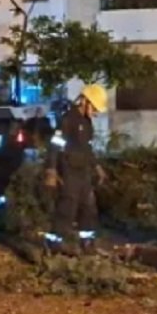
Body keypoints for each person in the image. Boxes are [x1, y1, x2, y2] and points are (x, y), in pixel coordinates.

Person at [43, 84, 109, 256]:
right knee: (67, 208)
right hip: (69, 170)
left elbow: (88, 148)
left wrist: (97, 168)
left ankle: (87, 243)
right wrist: (51, 170)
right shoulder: (67, 120)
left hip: (84, 171)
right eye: (94, 107)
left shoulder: (87, 123)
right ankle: (53, 245)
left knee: (89, 208)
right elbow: (55, 145)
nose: (96, 112)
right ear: (85, 102)